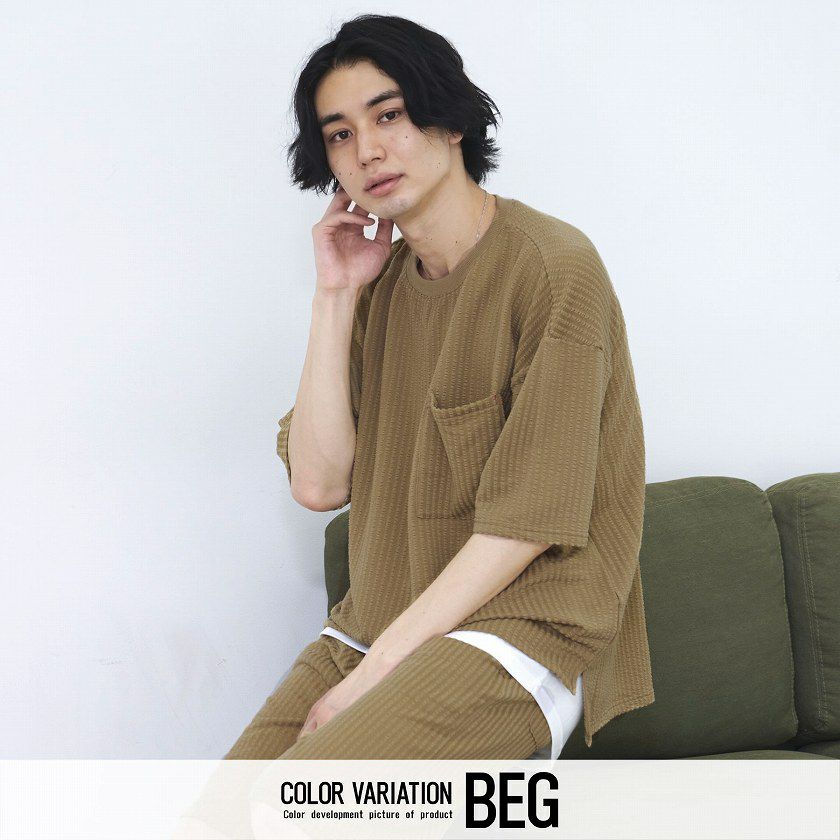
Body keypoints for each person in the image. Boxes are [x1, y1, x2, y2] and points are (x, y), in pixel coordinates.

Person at [225, 12, 655, 762]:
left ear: (450, 121)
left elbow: (525, 525)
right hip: (378, 624)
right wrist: (336, 295)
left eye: (389, 115)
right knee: (219, 814)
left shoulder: (553, 268)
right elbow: (319, 485)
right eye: (339, 134)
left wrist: (370, 681)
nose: (367, 149)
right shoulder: (382, 287)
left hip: (519, 635)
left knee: (305, 801)